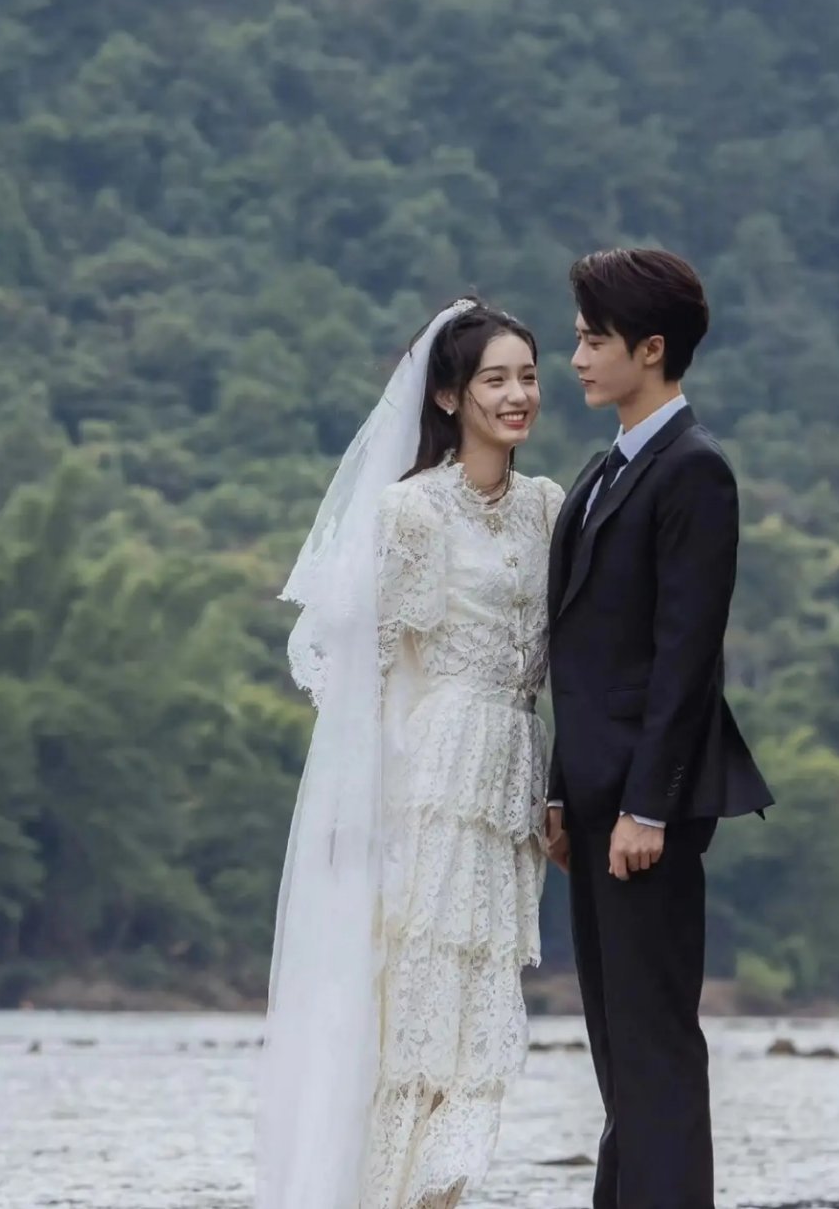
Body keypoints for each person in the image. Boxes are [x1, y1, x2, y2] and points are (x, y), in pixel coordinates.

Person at [257, 299, 564, 1209]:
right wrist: (358, 819)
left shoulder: (548, 507)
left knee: (478, 1025)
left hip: (510, 787)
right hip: (430, 785)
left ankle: (442, 1197)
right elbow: (374, 674)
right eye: (495, 379)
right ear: (447, 395)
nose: (517, 394)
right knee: (418, 1021)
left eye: (528, 375)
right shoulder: (411, 512)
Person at [545, 249, 774, 1209]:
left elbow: (687, 657)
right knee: (617, 1048)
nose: (575, 358)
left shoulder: (695, 471)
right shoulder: (603, 470)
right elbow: (579, 653)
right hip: (594, 800)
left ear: (651, 348)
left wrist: (648, 807)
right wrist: (560, 792)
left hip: (649, 810)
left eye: (593, 340)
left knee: (656, 1046)